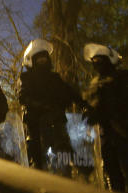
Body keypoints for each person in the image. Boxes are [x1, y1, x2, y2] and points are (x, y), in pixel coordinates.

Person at [82, 43, 128, 193]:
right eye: (95, 60)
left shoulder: (124, 76)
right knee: (113, 174)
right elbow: (91, 107)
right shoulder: (94, 83)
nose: (97, 63)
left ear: (109, 60)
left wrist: (121, 118)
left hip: (125, 134)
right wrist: (90, 114)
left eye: (100, 59)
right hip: (105, 137)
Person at [18, 39, 81, 175]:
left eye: (44, 58)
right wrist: (40, 105)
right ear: (32, 61)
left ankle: (75, 173)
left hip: (57, 124)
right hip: (37, 127)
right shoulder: (26, 78)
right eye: (39, 59)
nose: (42, 61)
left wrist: (84, 104)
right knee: (38, 163)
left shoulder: (54, 78)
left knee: (64, 158)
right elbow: (23, 96)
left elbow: (69, 92)